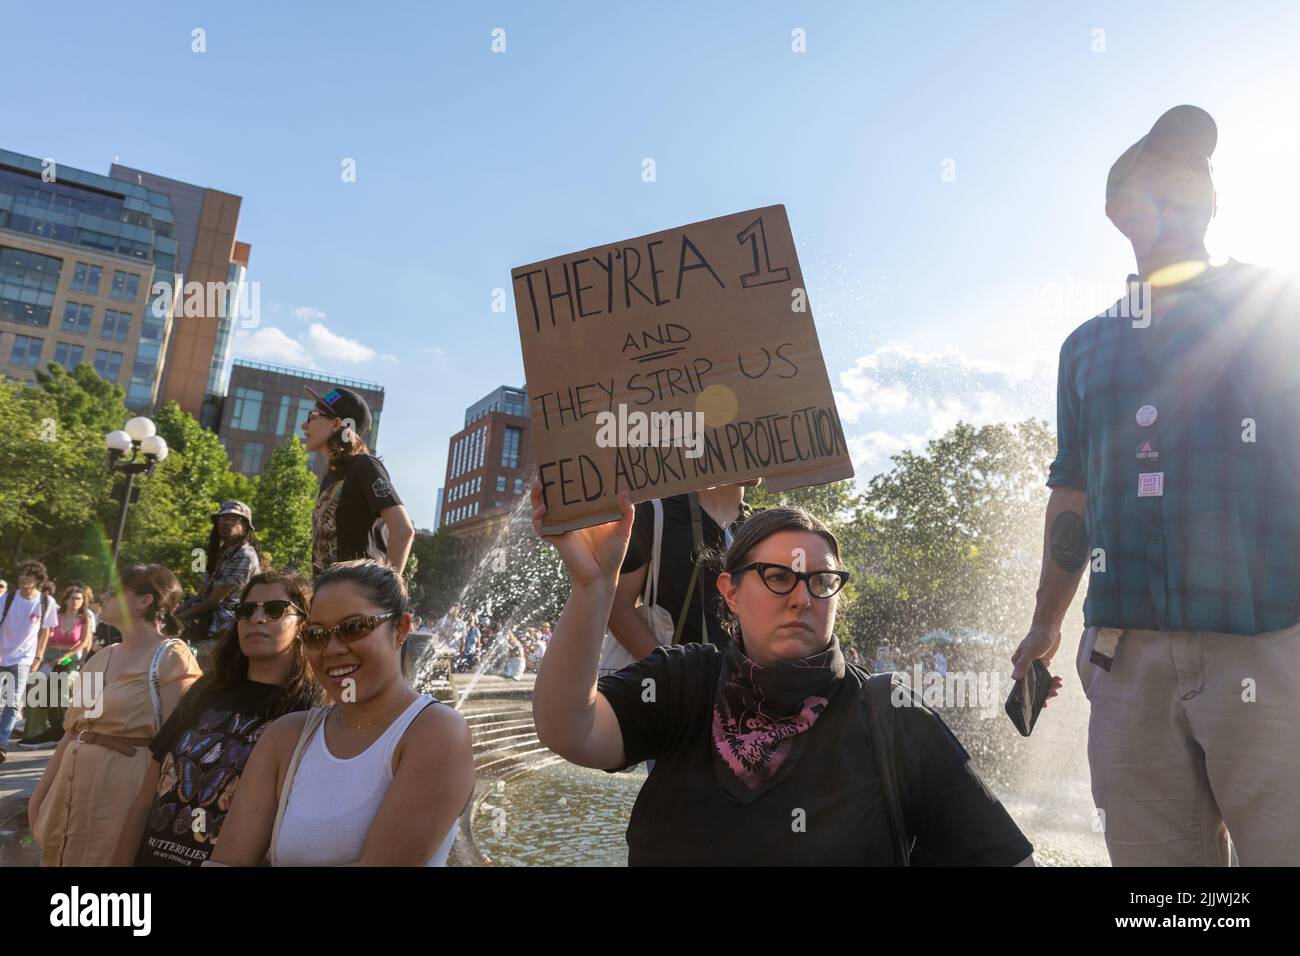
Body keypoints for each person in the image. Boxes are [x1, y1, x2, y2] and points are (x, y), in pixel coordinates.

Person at [1014, 105, 1300, 867]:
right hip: (1126, 650)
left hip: (1270, 641)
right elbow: (1072, 493)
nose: (1187, 186)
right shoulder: (1086, 347)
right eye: (1164, 172)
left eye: (1198, 175)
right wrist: (1045, 624)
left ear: (1216, 203)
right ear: (1119, 211)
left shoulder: (1279, 306)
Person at [531, 483, 1038, 865]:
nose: (801, 597)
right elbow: (568, 728)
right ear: (729, 591)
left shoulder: (894, 715)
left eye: (821, 581)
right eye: (777, 577)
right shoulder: (684, 680)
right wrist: (592, 588)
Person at [210, 559, 473, 866]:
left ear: (400, 629)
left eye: (353, 628)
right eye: (317, 635)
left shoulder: (436, 732)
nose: (332, 649)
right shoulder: (286, 736)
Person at [111, 569, 323, 867]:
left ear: (304, 623)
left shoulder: (312, 711)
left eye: (275, 610)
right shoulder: (206, 690)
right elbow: (144, 803)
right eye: (246, 610)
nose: (257, 618)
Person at [28, 565, 201, 866]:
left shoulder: (172, 656)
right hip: (70, 790)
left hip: (124, 793)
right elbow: (72, 732)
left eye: (117, 591)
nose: (106, 596)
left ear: (144, 601)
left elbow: (177, 744)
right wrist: (39, 796)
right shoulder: (100, 658)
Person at [605, 482, 753, 668]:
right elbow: (617, 604)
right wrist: (674, 675)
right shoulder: (655, 511)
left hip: (742, 688)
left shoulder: (761, 525)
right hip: (674, 691)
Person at [301, 386, 414, 577]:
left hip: (360, 600)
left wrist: (389, 591)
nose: (304, 425)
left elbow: (403, 530)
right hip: (328, 597)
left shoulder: (365, 466)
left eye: (312, 416)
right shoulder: (331, 478)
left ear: (337, 424)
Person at [176, 501, 263, 664]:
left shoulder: (244, 555)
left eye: (232, 519)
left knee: (169, 633)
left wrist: (180, 617)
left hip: (225, 617)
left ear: (245, 526)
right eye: (222, 519)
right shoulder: (221, 552)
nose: (225, 523)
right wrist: (176, 611)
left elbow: (215, 600)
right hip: (208, 611)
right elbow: (202, 594)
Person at [20, 584, 96, 747]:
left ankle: (62, 728)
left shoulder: (85, 619)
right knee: (36, 686)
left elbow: (83, 643)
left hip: (70, 659)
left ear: (83, 601)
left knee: (60, 686)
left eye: (79, 598)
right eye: (72, 598)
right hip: (48, 656)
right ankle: (35, 731)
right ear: (66, 599)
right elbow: (43, 635)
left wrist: (66, 657)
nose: (75, 601)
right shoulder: (55, 615)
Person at [0, 560, 60, 762]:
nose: (25, 579)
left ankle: (1, 744)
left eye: (30, 576)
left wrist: (38, 656)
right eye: (22, 575)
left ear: (38, 580)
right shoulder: (7, 598)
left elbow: (45, 630)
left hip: (23, 658)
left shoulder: (46, 602)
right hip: (1, 653)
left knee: (13, 701)